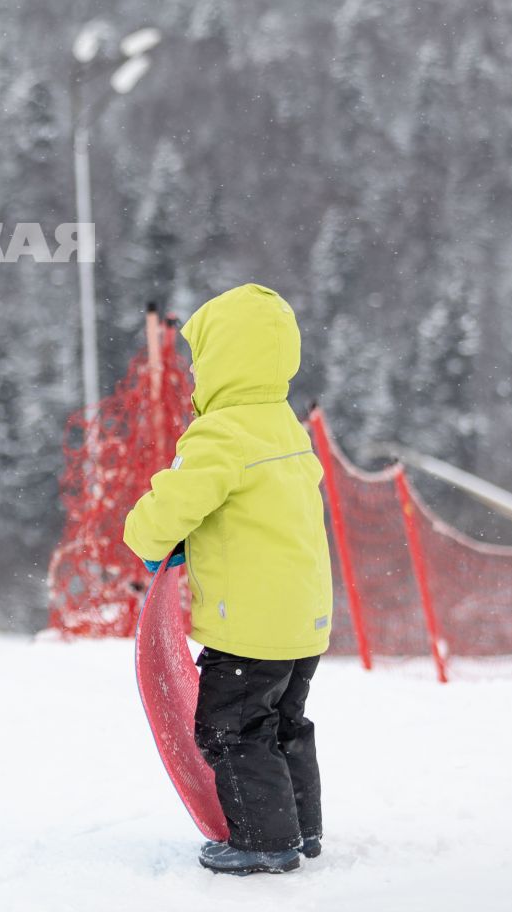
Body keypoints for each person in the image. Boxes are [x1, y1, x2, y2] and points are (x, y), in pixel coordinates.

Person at [122, 284, 333, 875]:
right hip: (303, 620)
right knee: (286, 723)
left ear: (220, 361)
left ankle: (264, 841)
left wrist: (143, 537)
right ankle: (302, 827)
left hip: (248, 628)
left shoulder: (220, 433)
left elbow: (172, 505)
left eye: (198, 360)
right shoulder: (286, 428)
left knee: (231, 732)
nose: (192, 374)